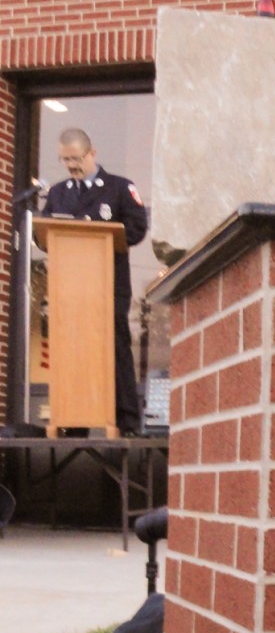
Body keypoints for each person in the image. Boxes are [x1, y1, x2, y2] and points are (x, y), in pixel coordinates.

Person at [41, 128, 149, 436]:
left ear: (92, 153)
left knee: (114, 346)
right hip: (71, 290)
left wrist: (101, 235)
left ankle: (127, 421)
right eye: (65, 160)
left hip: (108, 284)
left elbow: (138, 228)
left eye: (75, 158)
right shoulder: (59, 192)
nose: (71, 166)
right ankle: (75, 421)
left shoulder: (118, 188)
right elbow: (47, 235)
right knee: (72, 347)